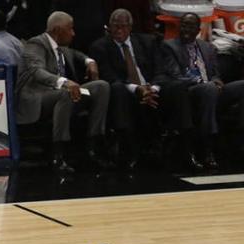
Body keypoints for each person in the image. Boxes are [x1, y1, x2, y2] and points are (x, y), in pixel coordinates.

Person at [89, 8, 186, 170]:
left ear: (130, 27)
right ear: (109, 26)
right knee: (117, 88)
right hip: (127, 91)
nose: (118, 30)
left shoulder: (147, 42)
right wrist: (137, 89)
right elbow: (109, 76)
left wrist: (152, 89)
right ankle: (128, 150)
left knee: (178, 86)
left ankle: (185, 148)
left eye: (123, 26)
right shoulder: (100, 46)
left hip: (151, 89)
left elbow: (160, 70)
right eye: (115, 26)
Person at [16, 11, 110, 174]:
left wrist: (90, 61)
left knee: (101, 86)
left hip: (59, 95)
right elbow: (36, 71)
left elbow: (76, 54)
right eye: (70, 29)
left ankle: (93, 147)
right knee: (65, 93)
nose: (73, 33)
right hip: (37, 98)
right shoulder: (36, 44)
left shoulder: (62, 47)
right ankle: (59, 155)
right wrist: (64, 82)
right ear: (57, 30)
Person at [162, 13, 244, 169]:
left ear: (198, 29)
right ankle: (207, 148)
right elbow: (175, 75)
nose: (186, 29)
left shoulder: (207, 47)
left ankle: (240, 141)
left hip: (211, 88)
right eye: (184, 25)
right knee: (208, 89)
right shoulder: (169, 46)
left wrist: (217, 80)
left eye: (191, 26)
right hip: (189, 91)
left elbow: (214, 73)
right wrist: (205, 82)